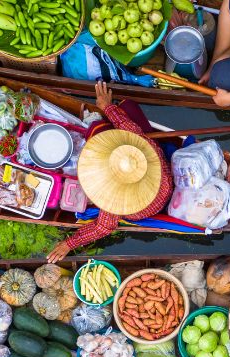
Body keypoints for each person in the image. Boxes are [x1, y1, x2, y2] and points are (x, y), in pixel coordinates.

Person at [46, 81, 173, 263]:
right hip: (161, 180)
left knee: (95, 130)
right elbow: (127, 125)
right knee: (127, 113)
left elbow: (103, 227)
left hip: (146, 206)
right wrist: (107, 106)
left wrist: (69, 244)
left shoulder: (115, 201)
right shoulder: (146, 148)